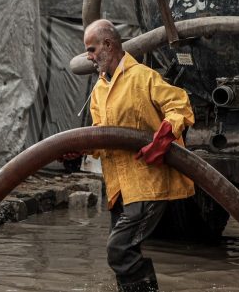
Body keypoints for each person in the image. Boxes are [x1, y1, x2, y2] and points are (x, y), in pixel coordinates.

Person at [82, 19, 195, 292]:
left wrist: (163, 138)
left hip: (147, 183)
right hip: (118, 189)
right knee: (121, 254)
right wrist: (80, 148)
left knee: (119, 250)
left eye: (92, 49)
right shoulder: (99, 90)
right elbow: (103, 139)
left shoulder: (143, 77)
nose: (89, 57)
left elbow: (180, 105)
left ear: (108, 45)